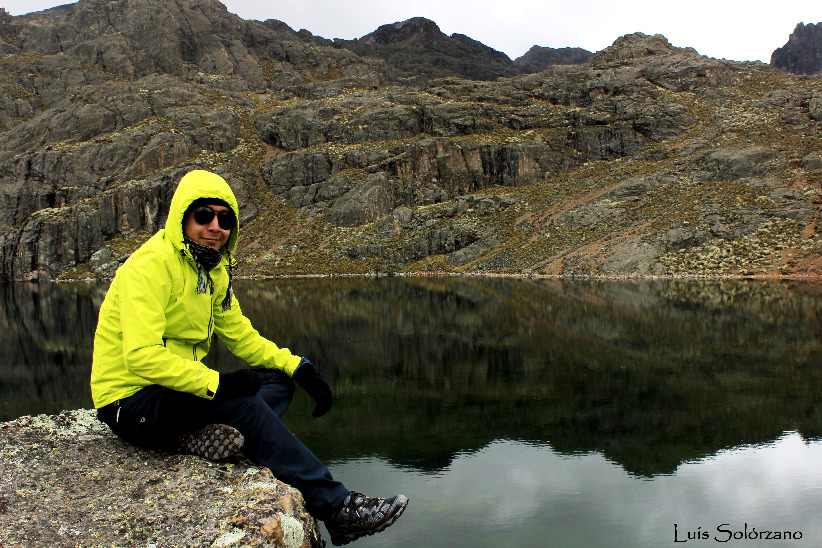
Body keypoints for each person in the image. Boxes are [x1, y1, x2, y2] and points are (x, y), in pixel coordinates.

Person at [90, 169, 408, 546]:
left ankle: (200, 437)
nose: (215, 226)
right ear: (182, 218)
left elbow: (241, 335)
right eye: (204, 215)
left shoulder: (212, 269)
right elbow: (142, 357)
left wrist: (298, 366)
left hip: (173, 393)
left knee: (274, 382)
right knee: (241, 399)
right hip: (129, 402)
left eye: (225, 219)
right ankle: (337, 508)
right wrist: (217, 384)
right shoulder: (149, 267)